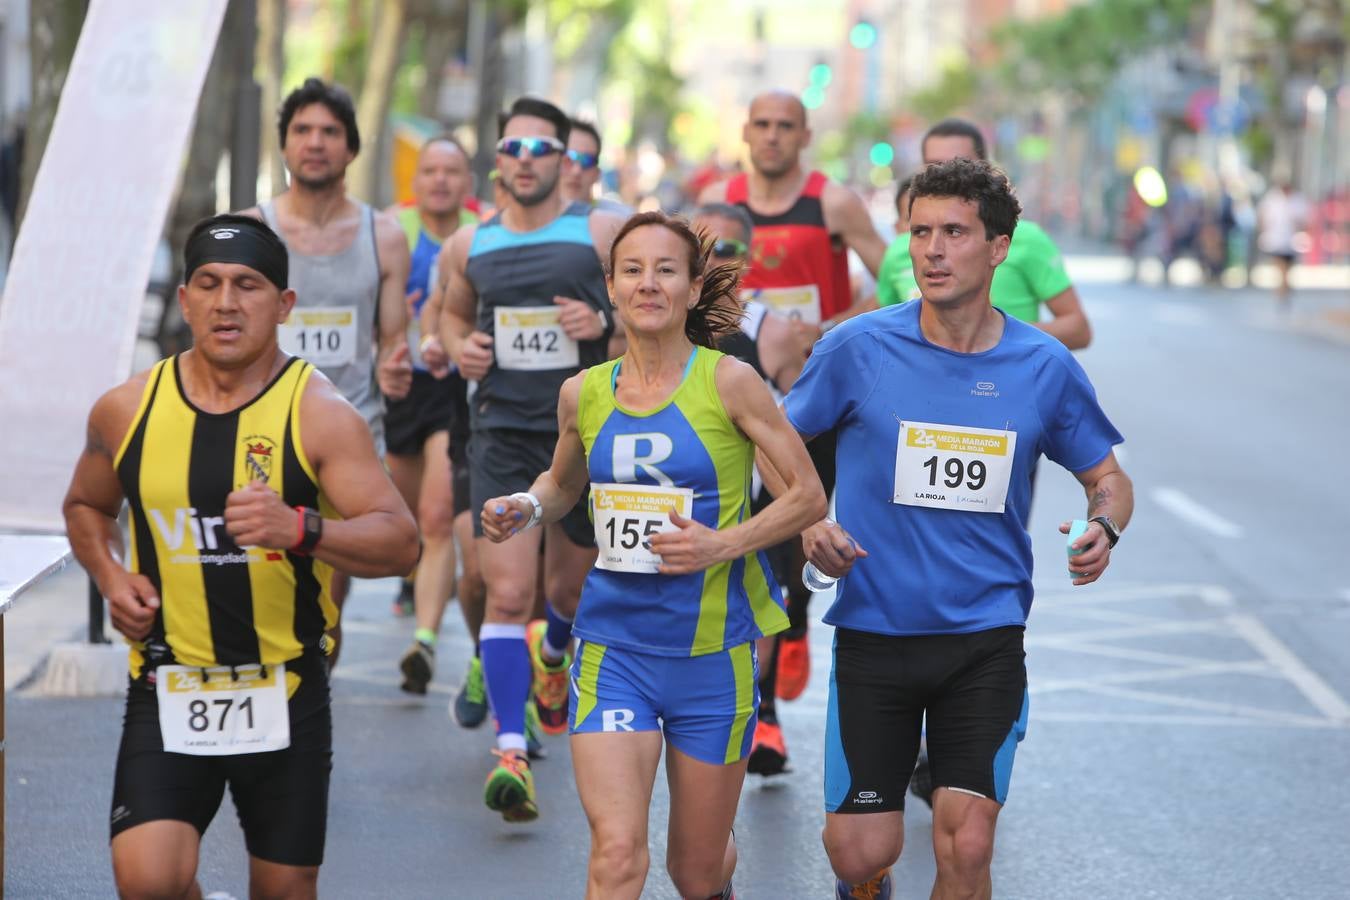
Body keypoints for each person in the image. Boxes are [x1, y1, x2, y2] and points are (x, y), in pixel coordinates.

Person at [768, 159, 1133, 899]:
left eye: (954, 232)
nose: (931, 250)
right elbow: (775, 444)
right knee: (856, 853)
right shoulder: (859, 348)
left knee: (967, 842)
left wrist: (1104, 526)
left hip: (985, 638)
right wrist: (808, 522)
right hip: (876, 632)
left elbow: (1109, 479)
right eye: (919, 232)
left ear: (998, 247)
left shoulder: (1042, 365)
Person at [62, 214, 419, 900]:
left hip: (283, 687)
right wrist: (111, 576)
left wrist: (302, 529)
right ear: (187, 298)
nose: (227, 302)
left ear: (284, 305)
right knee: (148, 883)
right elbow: (85, 506)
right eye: (210, 283)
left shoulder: (318, 413)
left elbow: (400, 541)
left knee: (284, 891)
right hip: (170, 682)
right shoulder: (125, 409)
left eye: (248, 285)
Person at [481, 211, 825, 897]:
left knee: (695, 872)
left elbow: (808, 497)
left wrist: (721, 544)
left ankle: (713, 870)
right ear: (610, 285)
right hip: (615, 650)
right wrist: (525, 506)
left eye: (666, 270)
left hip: (712, 656)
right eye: (632, 269)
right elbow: (563, 484)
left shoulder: (730, 381)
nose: (648, 284)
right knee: (615, 855)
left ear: (694, 289)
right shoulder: (584, 392)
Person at [436, 96, 625, 820]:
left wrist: (603, 321)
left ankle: (554, 661)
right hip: (504, 434)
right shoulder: (469, 246)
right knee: (509, 596)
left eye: (539, 149)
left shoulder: (602, 232)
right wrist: (461, 347)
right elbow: (452, 314)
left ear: (565, 160)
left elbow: (657, 307)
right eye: (510, 149)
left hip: (585, 438)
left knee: (567, 599)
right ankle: (510, 749)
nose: (523, 161)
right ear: (498, 161)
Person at [700, 88, 888, 766]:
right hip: (732, 372)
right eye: (762, 125)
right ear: (745, 132)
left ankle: (795, 625)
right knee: (759, 535)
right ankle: (763, 695)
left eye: (786, 126)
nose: (773, 136)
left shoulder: (831, 202)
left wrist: (829, 330)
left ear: (805, 135)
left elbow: (892, 276)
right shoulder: (718, 202)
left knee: (800, 525)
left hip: (811, 387)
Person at [240, 77, 413, 668]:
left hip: (347, 437)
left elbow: (392, 342)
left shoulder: (383, 237)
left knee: (321, 610)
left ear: (351, 148)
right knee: (252, 597)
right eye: (302, 131)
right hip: (258, 434)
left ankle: (304, 719)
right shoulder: (248, 230)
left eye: (330, 132)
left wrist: (398, 366)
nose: (315, 142)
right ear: (284, 146)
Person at [691, 201, 813, 778]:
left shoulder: (772, 333)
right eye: (702, 249)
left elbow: (803, 417)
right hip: (687, 492)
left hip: (757, 493)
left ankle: (762, 708)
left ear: (749, 259)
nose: (717, 260)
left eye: (730, 249)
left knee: (764, 600)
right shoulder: (661, 324)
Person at [383, 134, 479, 694]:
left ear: (467, 182)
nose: (441, 181)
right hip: (403, 387)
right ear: (416, 181)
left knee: (439, 516)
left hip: (455, 390)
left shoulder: (483, 231)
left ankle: (424, 639)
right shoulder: (392, 231)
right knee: (412, 524)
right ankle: (422, 604)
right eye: (431, 171)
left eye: (452, 172)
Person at [876, 119, 1092, 351]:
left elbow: (1078, 329)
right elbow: (880, 326)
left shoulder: (1028, 240)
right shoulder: (903, 248)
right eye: (934, 165)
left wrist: (995, 338)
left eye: (960, 162)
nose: (933, 249)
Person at [562, 118, 633, 216]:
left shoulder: (621, 220)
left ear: (597, 173)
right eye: (568, 159)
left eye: (588, 161)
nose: (576, 171)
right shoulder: (533, 219)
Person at [1256, 178, 1308, 309]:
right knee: (1280, 265)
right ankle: (1282, 289)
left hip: (1291, 240)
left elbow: (1304, 219)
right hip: (1276, 239)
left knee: (1287, 267)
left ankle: (1283, 287)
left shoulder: (1297, 200)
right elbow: (1263, 215)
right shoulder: (1273, 199)